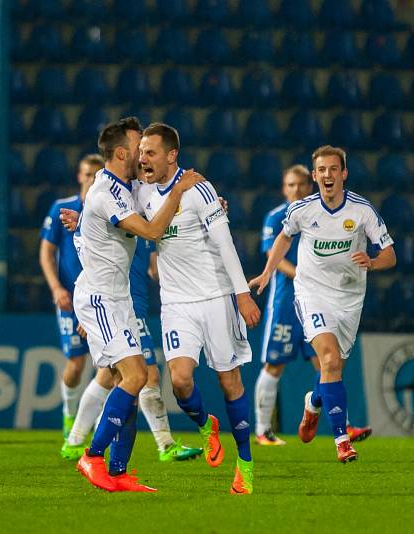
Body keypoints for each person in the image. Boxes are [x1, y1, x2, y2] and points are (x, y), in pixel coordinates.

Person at [73, 117, 203, 493]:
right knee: (135, 377)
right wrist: (179, 192)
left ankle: (118, 471)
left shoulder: (122, 187)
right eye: (139, 148)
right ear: (120, 153)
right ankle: (92, 456)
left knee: (129, 381)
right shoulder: (105, 192)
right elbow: (150, 230)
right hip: (100, 297)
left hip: (118, 298)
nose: (145, 154)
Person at [250, 145, 395, 463]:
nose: (327, 175)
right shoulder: (301, 210)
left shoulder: (362, 211)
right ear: (315, 176)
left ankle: (313, 402)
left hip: (348, 299)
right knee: (327, 360)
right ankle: (342, 441)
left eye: (334, 169)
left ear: (343, 174)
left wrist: (371, 261)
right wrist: (266, 273)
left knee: (332, 368)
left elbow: (390, 254)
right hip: (311, 294)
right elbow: (283, 238)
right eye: (322, 170)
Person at [136, 123, 260, 494]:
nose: (143, 159)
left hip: (217, 296)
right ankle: (207, 427)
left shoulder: (200, 190)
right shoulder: (140, 193)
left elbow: (225, 243)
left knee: (229, 381)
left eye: (151, 153)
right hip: (176, 303)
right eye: (141, 152)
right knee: (180, 380)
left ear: (171, 155)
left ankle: (245, 464)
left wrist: (241, 295)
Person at [253, 165, 316, 445]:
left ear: (310, 187)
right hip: (285, 304)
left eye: (301, 185)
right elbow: (273, 256)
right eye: (291, 185)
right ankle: (263, 430)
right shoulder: (277, 217)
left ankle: (346, 425)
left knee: (326, 363)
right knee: (274, 364)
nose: (296, 190)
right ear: (284, 188)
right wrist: (304, 275)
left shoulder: (318, 216)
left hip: (315, 301)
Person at [39, 155, 99, 441]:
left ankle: (99, 426)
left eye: (96, 175)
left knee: (106, 365)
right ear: (79, 176)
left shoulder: (106, 210)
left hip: (101, 300)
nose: (90, 179)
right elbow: (46, 252)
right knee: (76, 364)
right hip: (70, 300)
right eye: (87, 174)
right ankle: (69, 413)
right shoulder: (63, 208)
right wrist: (56, 289)